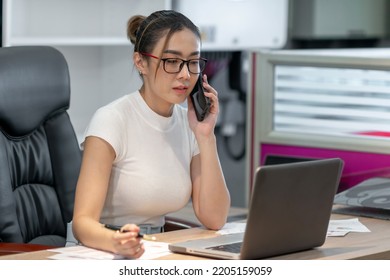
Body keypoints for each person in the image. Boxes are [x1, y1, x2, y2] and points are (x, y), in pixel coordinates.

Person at [72, 10, 231, 259]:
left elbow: (215, 218)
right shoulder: (112, 120)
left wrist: (206, 136)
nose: (185, 75)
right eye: (171, 61)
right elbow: (82, 223)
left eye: (193, 62)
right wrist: (118, 242)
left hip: (156, 249)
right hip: (104, 251)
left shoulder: (188, 124)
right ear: (140, 62)